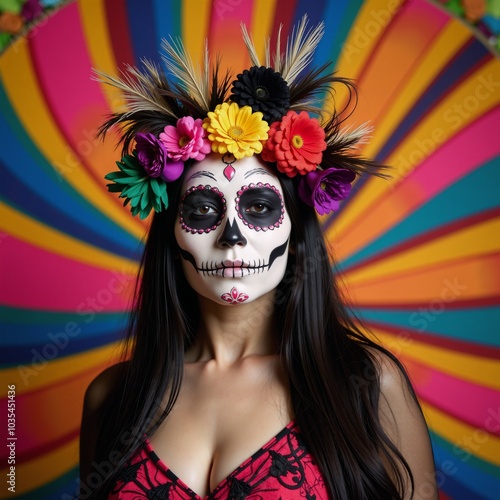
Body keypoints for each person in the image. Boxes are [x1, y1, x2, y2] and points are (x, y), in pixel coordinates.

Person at [79, 16, 437, 500]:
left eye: (260, 207)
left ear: (296, 226)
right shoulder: (112, 398)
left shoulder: (366, 384)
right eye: (203, 209)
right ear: (171, 232)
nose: (232, 236)